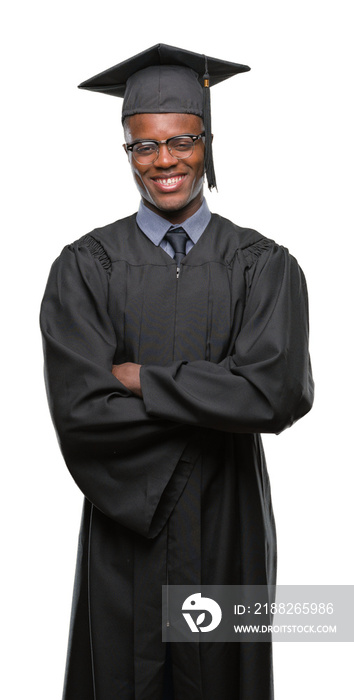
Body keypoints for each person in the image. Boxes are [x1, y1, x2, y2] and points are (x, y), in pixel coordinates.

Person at [40, 43, 314, 700]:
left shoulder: (263, 265)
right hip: (126, 524)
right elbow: (81, 410)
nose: (164, 161)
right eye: (144, 146)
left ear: (207, 140)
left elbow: (276, 392)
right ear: (128, 151)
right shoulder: (84, 267)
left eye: (182, 140)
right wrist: (218, 399)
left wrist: (144, 380)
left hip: (230, 524)